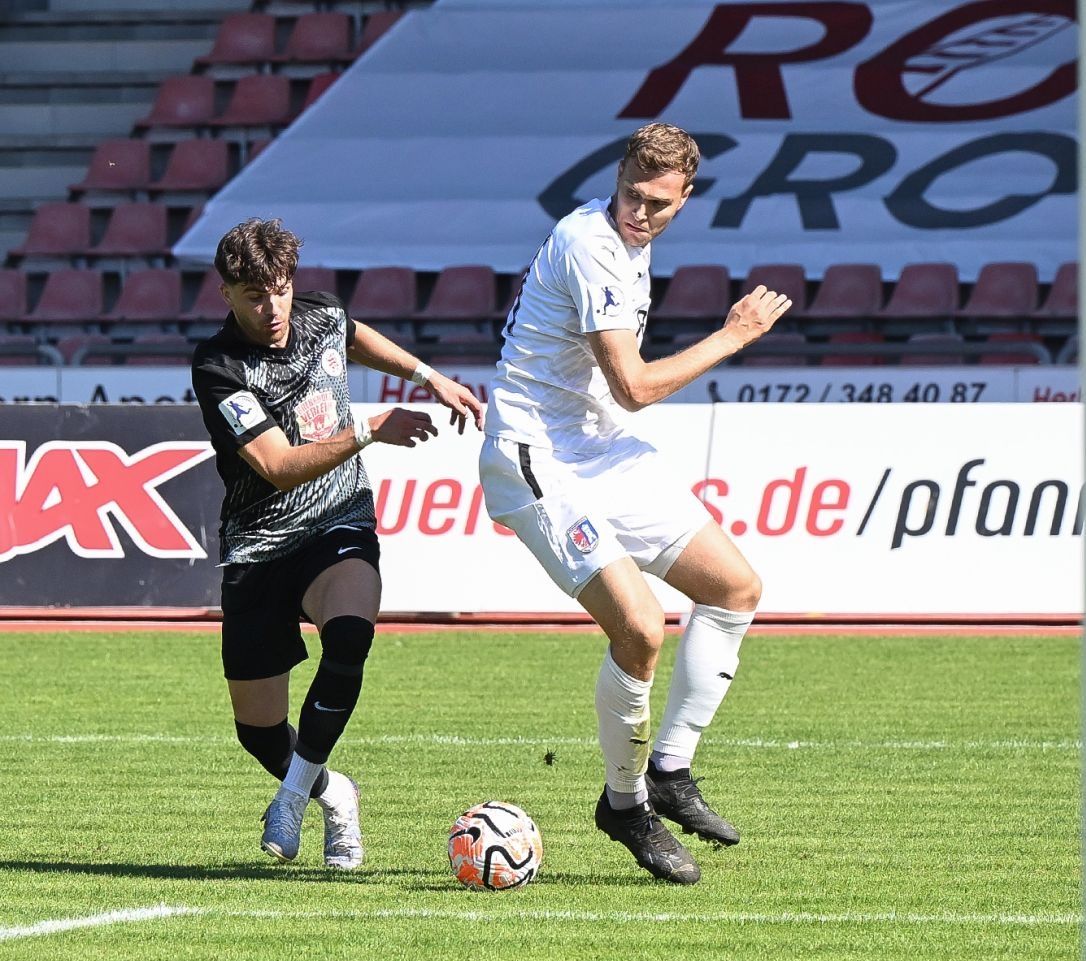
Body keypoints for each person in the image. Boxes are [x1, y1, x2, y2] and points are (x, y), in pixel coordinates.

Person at [479, 122, 791, 886]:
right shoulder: (590, 240)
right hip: (537, 456)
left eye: (657, 203)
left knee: (735, 589)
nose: (639, 214)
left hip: (598, 448)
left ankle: (671, 770)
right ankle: (625, 804)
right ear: (616, 177)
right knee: (643, 630)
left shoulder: (633, 240)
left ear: (685, 199)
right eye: (630, 196)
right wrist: (732, 336)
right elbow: (635, 387)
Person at [191, 217, 486, 867]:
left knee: (351, 632)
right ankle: (335, 791)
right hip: (260, 541)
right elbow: (275, 465)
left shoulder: (321, 313)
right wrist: (369, 428)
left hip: (337, 521)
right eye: (254, 295)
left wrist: (425, 375)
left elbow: (355, 337)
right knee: (258, 731)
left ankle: (292, 797)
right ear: (226, 295)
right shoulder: (218, 367)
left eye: (280, 287)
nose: (272, 307)